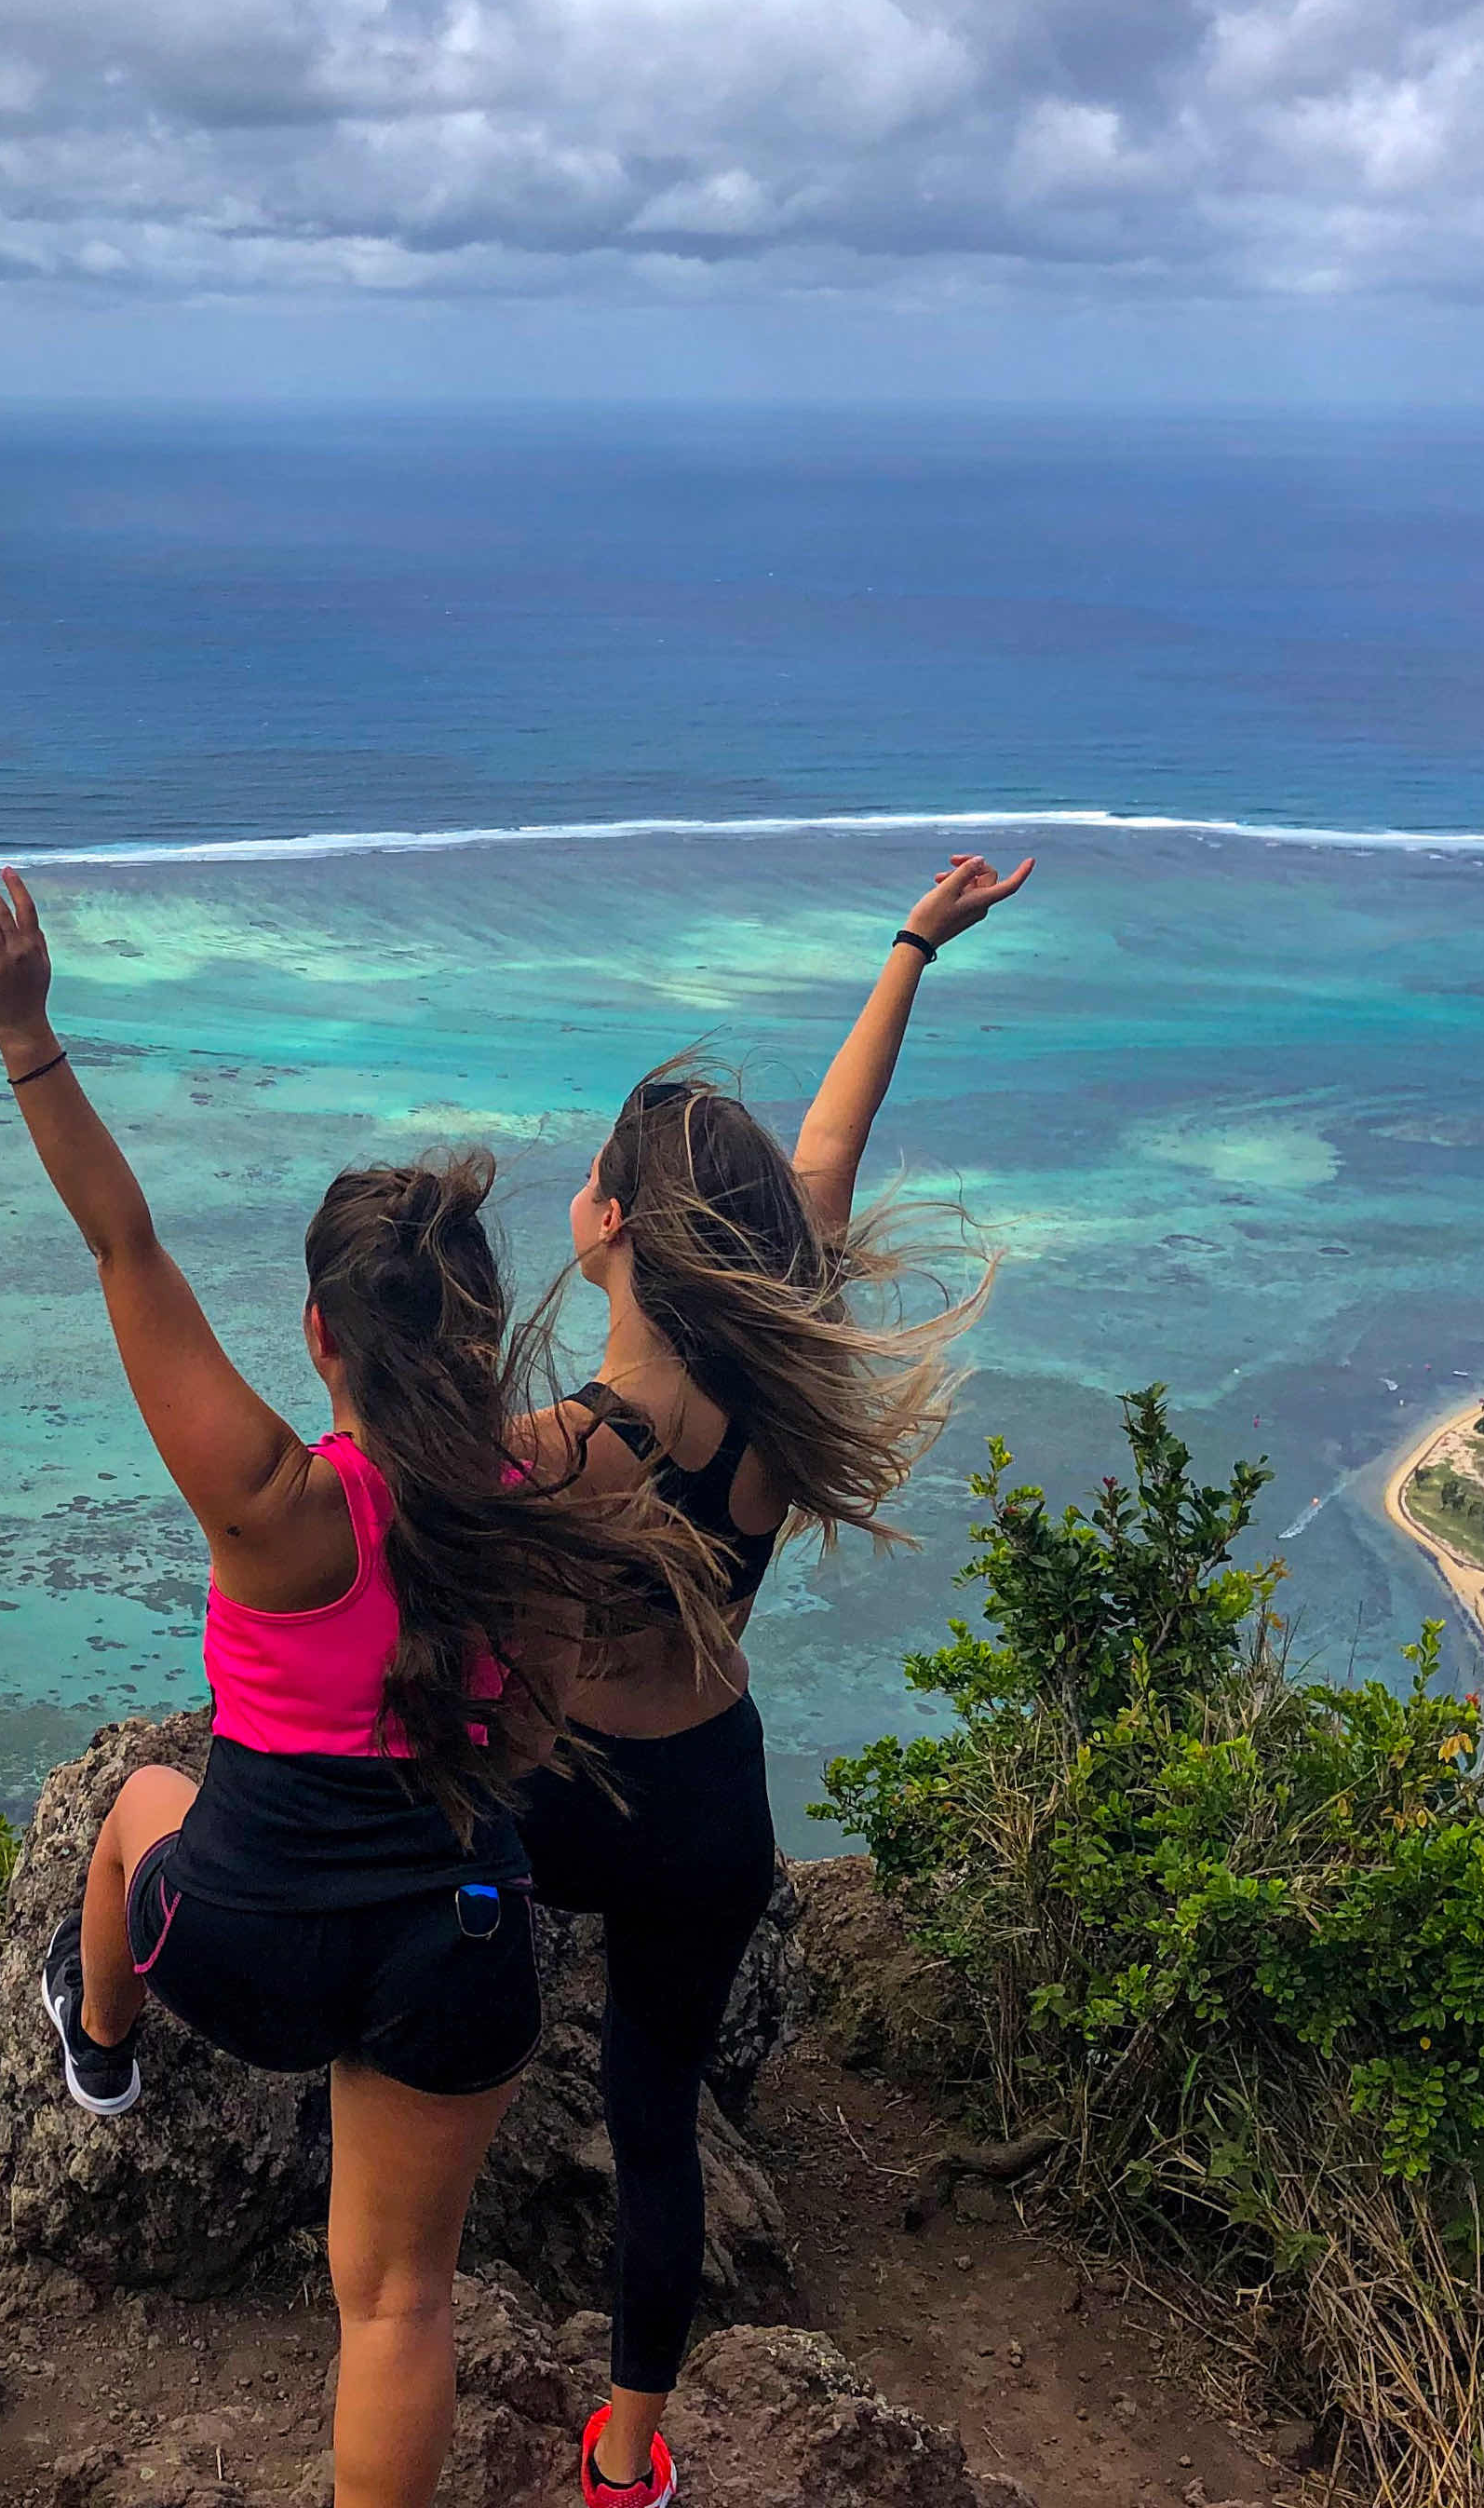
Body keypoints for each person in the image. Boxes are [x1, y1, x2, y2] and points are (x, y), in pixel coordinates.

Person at [0, 866, 708, 2508]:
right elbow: (645, 1420)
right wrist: (657, 1239)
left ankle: (102, 2046)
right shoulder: (559, 1489)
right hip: (453, 1952)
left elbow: (125, 1246)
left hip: (248, 1943)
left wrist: (28, 1042)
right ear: (485, 1335)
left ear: (316, 1337)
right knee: (398, 2301)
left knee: (134, 1808)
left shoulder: (278, 1509)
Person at [523, 852, 1028, 2508]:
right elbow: (830, 1146)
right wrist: (911, 947)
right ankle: (630, 2458)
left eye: (592, 1178)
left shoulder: (564, 1450)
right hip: (706, 1806)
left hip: (552, 1803)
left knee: (423, 1895)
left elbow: (358, 1497)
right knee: (652, 2118)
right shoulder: (770, 1364)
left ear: (611, 1225)